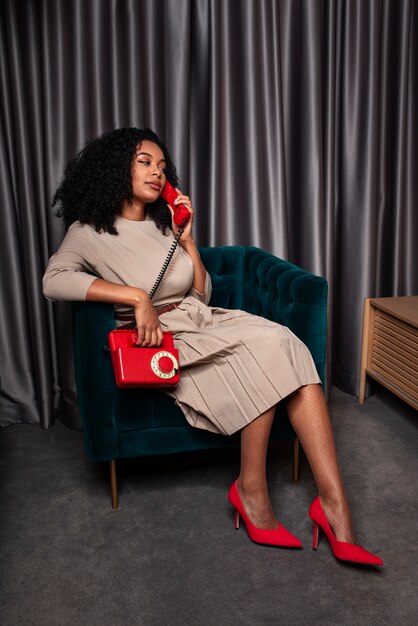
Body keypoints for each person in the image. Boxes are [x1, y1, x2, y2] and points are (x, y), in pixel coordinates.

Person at [43, 127, 383, 566]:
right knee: (270, 349)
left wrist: (188, 242)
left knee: (287, 345)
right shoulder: (89, 231)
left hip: (201, 321)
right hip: (163, 341)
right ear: (115, 168)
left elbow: (200, 295)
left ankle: (334, 509)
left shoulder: (166, 224)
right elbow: (54, 280)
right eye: (145, 162)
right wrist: (134, 297)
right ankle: (255, 493)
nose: (157, 172)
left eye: (162, 167)